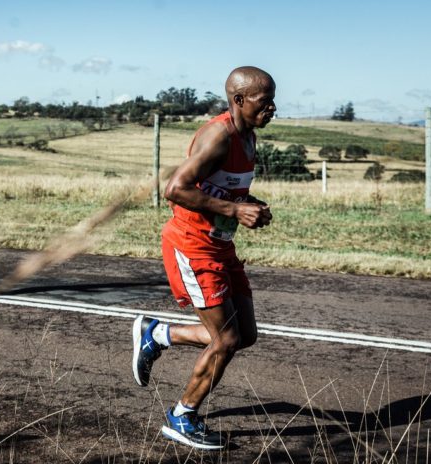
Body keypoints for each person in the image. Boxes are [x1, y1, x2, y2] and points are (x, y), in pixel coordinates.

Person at [131, 66, 275, 449]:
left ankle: (158, 334)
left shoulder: (249, 138)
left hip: (220, 246)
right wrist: (234, 211)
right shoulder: (219, 136)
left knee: (244, 335)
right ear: (239, 100)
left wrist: (248, 206)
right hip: (191, 245)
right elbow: (175, 189)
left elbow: (223, 190)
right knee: (225, 340)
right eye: (265, 101)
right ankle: (182, 416)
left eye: (273, 99)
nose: (272, 107)